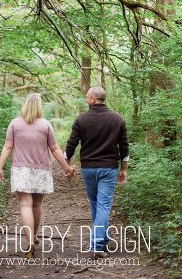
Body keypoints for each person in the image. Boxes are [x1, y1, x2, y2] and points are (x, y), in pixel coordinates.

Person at [0, 93, 75, 258]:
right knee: (36, 205)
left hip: (20, 170)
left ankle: (30, 241)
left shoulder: (15, 124)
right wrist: (66, 168)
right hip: (41, 171)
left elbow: (7, 146)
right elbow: (54, 149)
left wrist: (0, 167)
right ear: (39, 106)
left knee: (25, 205)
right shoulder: (45, 125)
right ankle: (34, 235)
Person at [65, 86, 129, 258]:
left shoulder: (81, 119)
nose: (86, 99)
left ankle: (100, 242)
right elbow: (124, 146)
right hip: (109, 168)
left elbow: (72, 143)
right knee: (102, 205)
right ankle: (98, 244)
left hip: (88, 168)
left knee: (97, 204)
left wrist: (67, 163)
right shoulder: (118, 119)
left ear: (93, 99)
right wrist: (124, 169)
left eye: (87, 97)